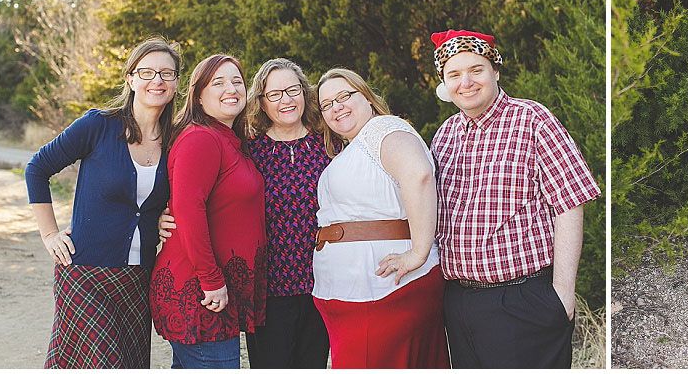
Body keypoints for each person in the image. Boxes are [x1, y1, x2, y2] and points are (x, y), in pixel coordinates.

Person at [429, 29, 600, 368]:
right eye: (454, 74)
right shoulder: (444, 135)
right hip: (458, 302)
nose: (466, 82)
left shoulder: (532, 119)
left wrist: (562, 294)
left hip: (521, 300)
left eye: (476, 69)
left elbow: (570, 202)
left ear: (495, 70)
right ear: (444, 84)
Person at [24, 37, 180, 368]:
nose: (157, 81)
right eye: (148, 72)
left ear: (176, 82)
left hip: (137, 278)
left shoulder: (177, 138)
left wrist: (162, 218)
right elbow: (36, 169)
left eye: (167, 73)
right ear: (131, 78)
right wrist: (50, 234)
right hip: (85, 274)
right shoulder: (98, 125)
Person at [312, 68, 449, 368]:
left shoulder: (383, 128)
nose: (336, 107)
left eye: (344, 96)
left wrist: (418, 252)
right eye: (326, 104)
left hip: (384, 293)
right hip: (358, 296)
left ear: (369, 99)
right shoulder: (357, 146)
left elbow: (419, 174)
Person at [149, 55, 267, 369]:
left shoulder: (231, 140)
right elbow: (189, 213)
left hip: (212, 289)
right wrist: (212, 280)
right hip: (197, 290)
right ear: (199, 96)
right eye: (218, 82)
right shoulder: (200, 138)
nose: (231, 88)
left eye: (237, 81)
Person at [244, 59, 332, 368]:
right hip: (269, 287)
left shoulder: (330, 142)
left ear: (305, 93)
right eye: (276, 93)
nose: (286, 100)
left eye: (293, 90)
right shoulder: (249, 150)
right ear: (262, 102)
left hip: (321, 282)